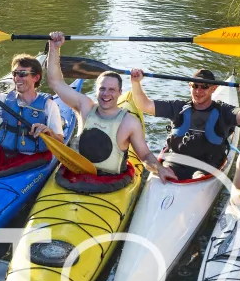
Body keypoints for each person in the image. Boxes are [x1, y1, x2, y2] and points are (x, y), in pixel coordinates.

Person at [46, 32, 175, 185]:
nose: (106, 94)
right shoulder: (84, 107)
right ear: (96, 91)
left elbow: (145, 155)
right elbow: (55, 82)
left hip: (110, 183)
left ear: (120, 93)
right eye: (102, 89)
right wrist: (54, 48)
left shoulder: (130, 122)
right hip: (75, 175)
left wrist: (159, 169)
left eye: (112, 90)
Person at [129, 66, 240, 180]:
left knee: (199, 177)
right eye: (195, 86)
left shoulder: (224, 111)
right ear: (189, 86)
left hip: (206, 165)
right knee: (166, 169)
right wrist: (135, 82)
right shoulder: (178, 107)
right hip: (174, 161)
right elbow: (144, 105)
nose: (198, 91)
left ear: (214, 88)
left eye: (204, 87)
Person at [0, 53, 65, 171]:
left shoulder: (48, 106)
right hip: (3, 153)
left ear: (36, 77)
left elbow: (60, 142)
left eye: (23, 74)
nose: (17, 78)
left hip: (31, 159)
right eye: (15, 74)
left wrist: (49, 132)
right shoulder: (3, 100)